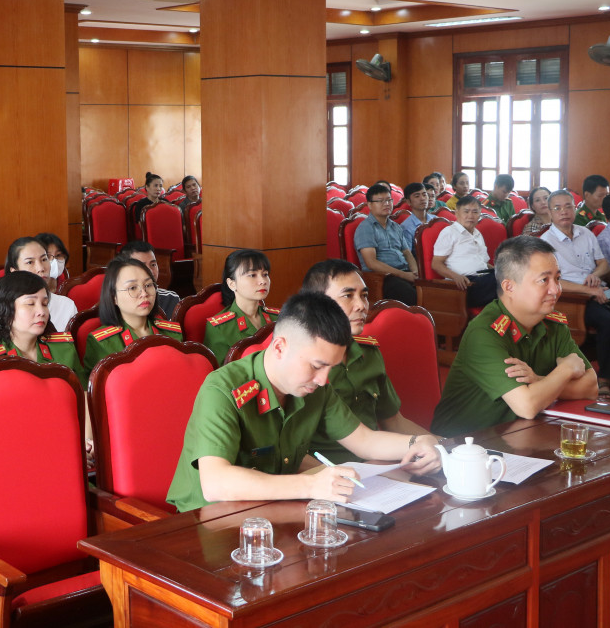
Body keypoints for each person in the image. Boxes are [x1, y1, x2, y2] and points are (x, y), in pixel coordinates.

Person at [166, 292, 442, 513]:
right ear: (280, 347)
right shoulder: (222, 390)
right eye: (316, 365)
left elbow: (365, 440)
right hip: (209, 520)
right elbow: (216, 483)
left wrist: (419, 443)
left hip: (275, 509)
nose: (323, 379)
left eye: (331, 368)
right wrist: (311, 485)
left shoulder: (313, 387)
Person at [431, 237, 598, 437]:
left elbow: (591, 387)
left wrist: (537, 380)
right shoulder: (484, 333)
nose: (555, 289)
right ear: (509, 287)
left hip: (517, 436)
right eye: (544, 280)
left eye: (557, 278)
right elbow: (526, 406)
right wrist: (566, 369)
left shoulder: (552, 324)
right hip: (462, 444)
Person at [300, 260, 440, 463]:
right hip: (325, 470)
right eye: (348, 296)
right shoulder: (300, 364)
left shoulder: (369, 353)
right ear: (317, 304)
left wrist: (445, 448)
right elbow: (289, 452)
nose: (361, 305)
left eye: (364, 295)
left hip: (377, 460)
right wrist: (329, 476)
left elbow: (394, 421)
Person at [543, 189, 610, 396]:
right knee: (609, 322)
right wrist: (589, 290)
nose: (564, 211)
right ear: (549, 212)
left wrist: (595, 275)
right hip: (573, 299)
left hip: (599, 289)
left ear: (575, 209)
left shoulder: (585, 233)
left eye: (568, 206)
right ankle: (604, 379)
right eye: (557, 208)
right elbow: (552, 281)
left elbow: (603, 264)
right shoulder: (546, 242)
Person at [0, 270, 86, 386]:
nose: (41, 312)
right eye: (31, 303)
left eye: (45, 304)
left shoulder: (64, 348)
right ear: (6, 311)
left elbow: (82, 392)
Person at [84, 257, 182, 372]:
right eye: (133, 288)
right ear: (113, 297)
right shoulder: (102, 343)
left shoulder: (172, 333)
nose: (144, 293)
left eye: (148, 285)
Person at [203, 249, 278, 365]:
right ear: (232, 284)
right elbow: (220, 372)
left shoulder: (279, 317)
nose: (263, 281)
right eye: (252, 275)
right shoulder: (220, 328)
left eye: (265, 274)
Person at [352, 183, 418, 306]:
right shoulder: (366, 228)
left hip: (404, 273)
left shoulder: (396, 227)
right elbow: (371, 263)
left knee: (430, 290)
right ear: (370, 205)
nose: (386, 204)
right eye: (380, 201)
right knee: (411, 294)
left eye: (389, 200)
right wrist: (404, 275)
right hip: (383, 278)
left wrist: (415, 272)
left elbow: (407, 253)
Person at [430, 195, 498, 308]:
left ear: (480, 214)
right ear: (456, 213)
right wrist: (455, 276)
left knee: (508, 276)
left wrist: (500, 271)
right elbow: (436, 264)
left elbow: (484, 263)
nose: (470, 216)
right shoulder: (449, 232)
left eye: (475, 212)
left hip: (483, 280)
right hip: (464, 284)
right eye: (466, 211)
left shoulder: (477, 233)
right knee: (501, 283)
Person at [5, 236, 77, 332]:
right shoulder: (5, 307)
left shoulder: (66, 306)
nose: (41, 268)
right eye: (30, 262)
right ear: (15, 271)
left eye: (44, 259)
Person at [119, 239, 180, 317]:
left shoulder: (170, 299)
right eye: (142, 266)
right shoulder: (117, 301)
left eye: (153, 265)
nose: (150, 271)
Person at [399, 182, 435, 253]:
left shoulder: (435, 220)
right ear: (408, 202)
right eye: (417, 196)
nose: (422, 198)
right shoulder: (406, 227)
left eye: (424, 195)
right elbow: (408, 254)